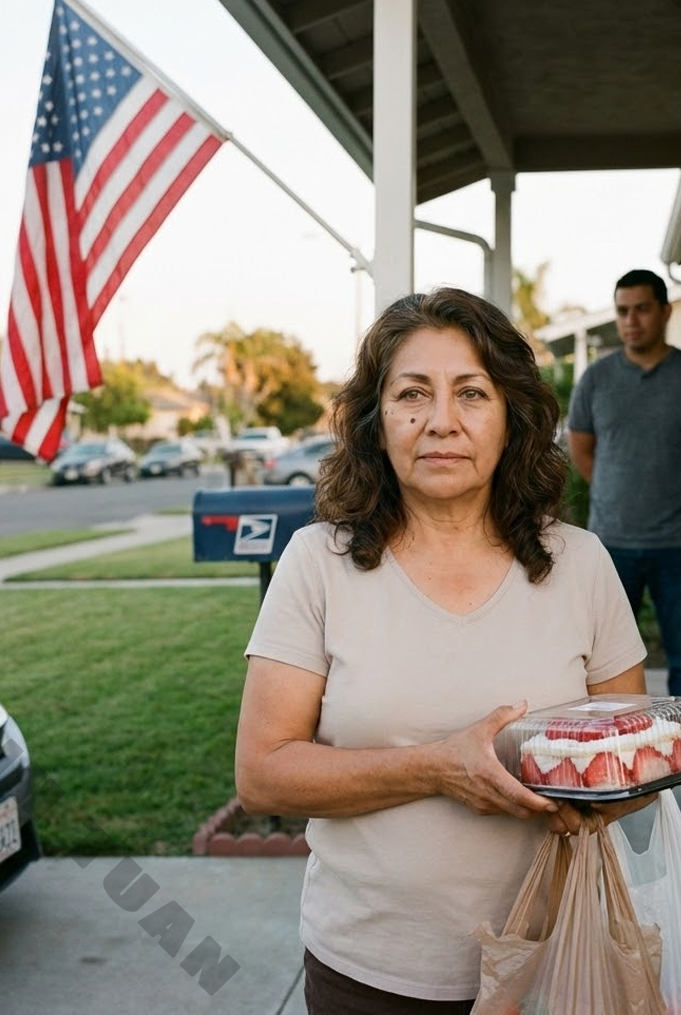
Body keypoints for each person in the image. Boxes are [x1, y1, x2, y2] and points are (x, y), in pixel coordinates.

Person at [235, 288, 654, 1012]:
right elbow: (263, 775)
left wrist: (592, 798)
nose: (441, 423)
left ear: (511, 416)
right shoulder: (318, 564)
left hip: (555, 965)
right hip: (368, 971)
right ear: (377, 420)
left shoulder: (581, 564)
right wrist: (438, 769)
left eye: (471, 393)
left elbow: (636, 755)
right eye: (412, 395)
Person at [567, 269, 681, 793]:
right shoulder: (596, 377)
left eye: (641, 309)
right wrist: (616, 495)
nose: (630, 320)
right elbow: (581, 448)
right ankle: (610, 757)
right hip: (611, 542)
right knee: (599, 662)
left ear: (664, 311)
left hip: (679, 542)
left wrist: (679, 493)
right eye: (622, 311)